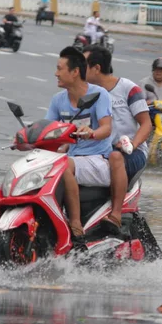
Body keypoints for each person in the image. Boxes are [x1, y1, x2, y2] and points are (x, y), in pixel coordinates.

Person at [45, 46, 113, 237]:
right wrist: (25, 138)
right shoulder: (58, 100)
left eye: (60, 69)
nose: (55, 73)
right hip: (73, 158)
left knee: (62, 164)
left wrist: (91, 133)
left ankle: (75, 223)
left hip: (98, 159)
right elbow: (48, 128)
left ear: (75, 72)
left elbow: (106, 128)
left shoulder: (99, 94)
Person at [83, 45, 152, 232]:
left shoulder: (129, 89)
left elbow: (146, 124)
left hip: (131, 153)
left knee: (116, 157)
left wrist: (132, 144)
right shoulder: (87, 94)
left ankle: (115, 215)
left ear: (96, 68)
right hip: (98, 151)